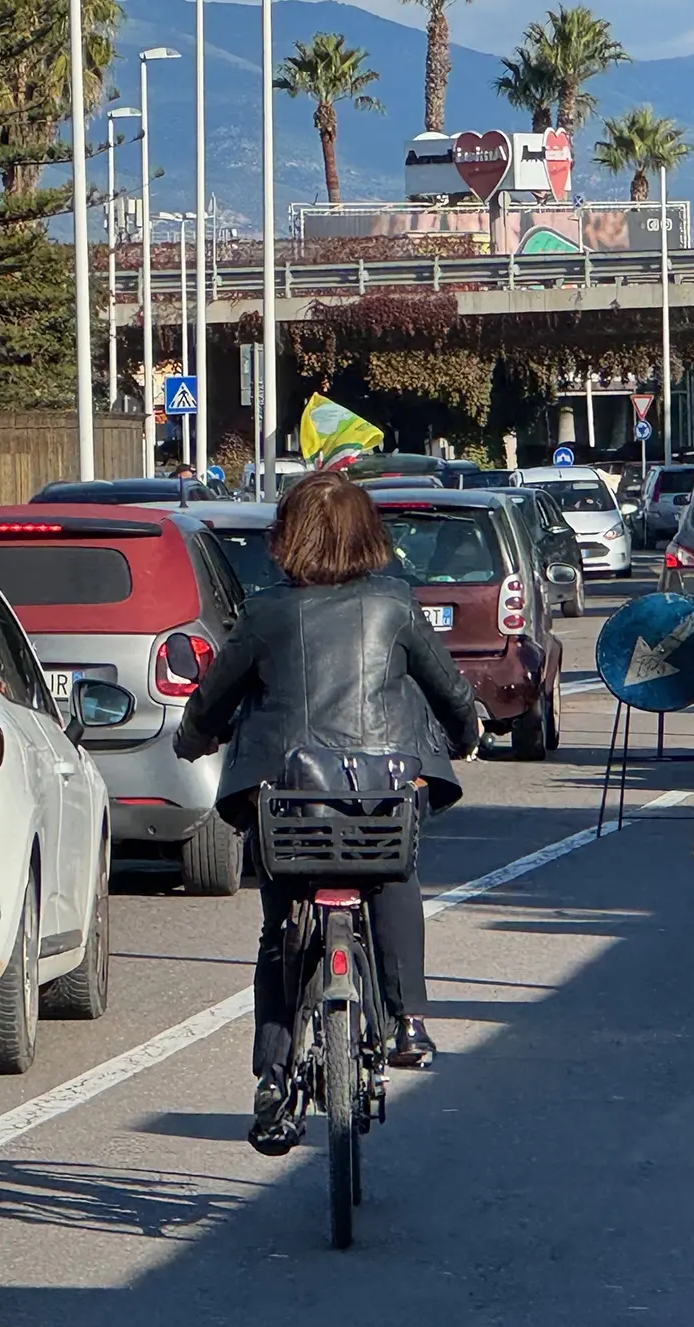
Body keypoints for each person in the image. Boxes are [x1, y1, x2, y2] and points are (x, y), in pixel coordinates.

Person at [174, 472, 478, 1155]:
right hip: (383, 795)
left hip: (288, 802)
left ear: (288, 540)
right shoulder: (395, 605)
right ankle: (409, 1023)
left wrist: (192, 740)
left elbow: (213, 701)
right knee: (395, 873)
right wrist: (466, 736)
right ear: (371, 536)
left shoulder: (265, 614)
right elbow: (450, 691)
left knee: (281, 926)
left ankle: (275, 1075)